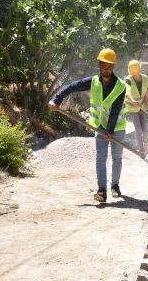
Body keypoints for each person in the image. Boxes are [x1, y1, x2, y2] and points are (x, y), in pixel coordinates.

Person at [48, 48, 127, 203]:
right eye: (103, 65)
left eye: (109, 65)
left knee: (117, 158)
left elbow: (115, 110)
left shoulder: (121, 86)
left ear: (113, 66)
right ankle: (102, 190)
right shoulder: (92, 82)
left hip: (116, 127)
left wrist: (109, 131)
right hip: (98, 126)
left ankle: (115, 186)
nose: (106, 68)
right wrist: (56, 99)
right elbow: (72, 87)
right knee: (101, 158)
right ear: (99, 65)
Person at [124, 59, 148, 155]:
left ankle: (146, 148)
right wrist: (133, 100)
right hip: (133, 107)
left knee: (145, 129)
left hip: (143, 107)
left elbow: (147, 95)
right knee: (138, 129)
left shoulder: (145, 78)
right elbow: (127, 92)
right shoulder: (128, 80)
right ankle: (141, 150)